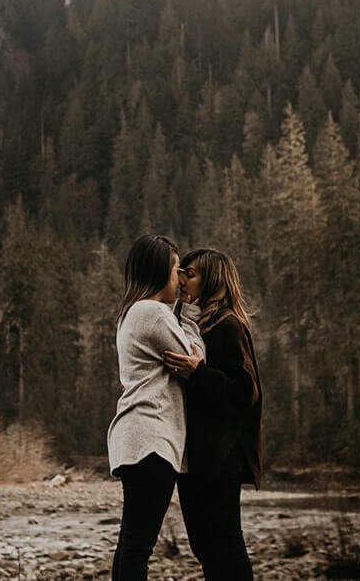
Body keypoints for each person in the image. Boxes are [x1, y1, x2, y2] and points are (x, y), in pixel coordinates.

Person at [107, 234, 204, 581]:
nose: (180, 280)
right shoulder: (151, 312)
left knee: (130, 541)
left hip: (135, 436)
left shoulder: (130, 313)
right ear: (159, 271)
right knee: (138, 544)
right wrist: (191, 313)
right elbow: (197, 359)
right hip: (152, 437)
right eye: (177, 270)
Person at [162, 247, 262, 580]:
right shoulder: (193, 324)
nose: (182, 280)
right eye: (181, 272)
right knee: (204, 546)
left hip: (221, 454)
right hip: (196, 455)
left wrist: (199, 373)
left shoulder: (228, 325)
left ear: (212, 280)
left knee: (226, 544)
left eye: (189, 273)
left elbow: (246, 392)